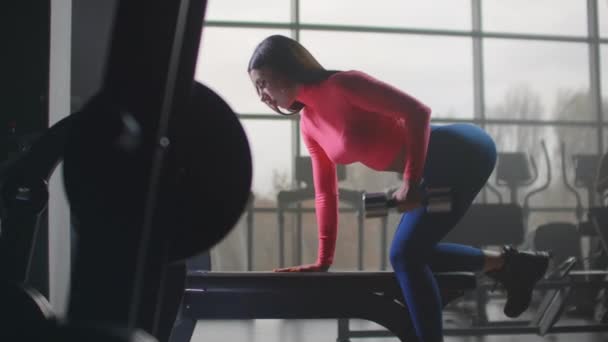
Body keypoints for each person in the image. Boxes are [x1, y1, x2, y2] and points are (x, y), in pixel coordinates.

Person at [247, 35, 550, 342]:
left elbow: (418, 112)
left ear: (285, 72)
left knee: (406, 255)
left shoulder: (344, 85)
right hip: (433, 170)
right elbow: (326, 193)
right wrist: (323, 260)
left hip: (461, 151)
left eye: (262, 83)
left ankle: (511, 268)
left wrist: (411, 181)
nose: (261, 96)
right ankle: (513, 265)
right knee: (413, 253)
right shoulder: (309, 124)